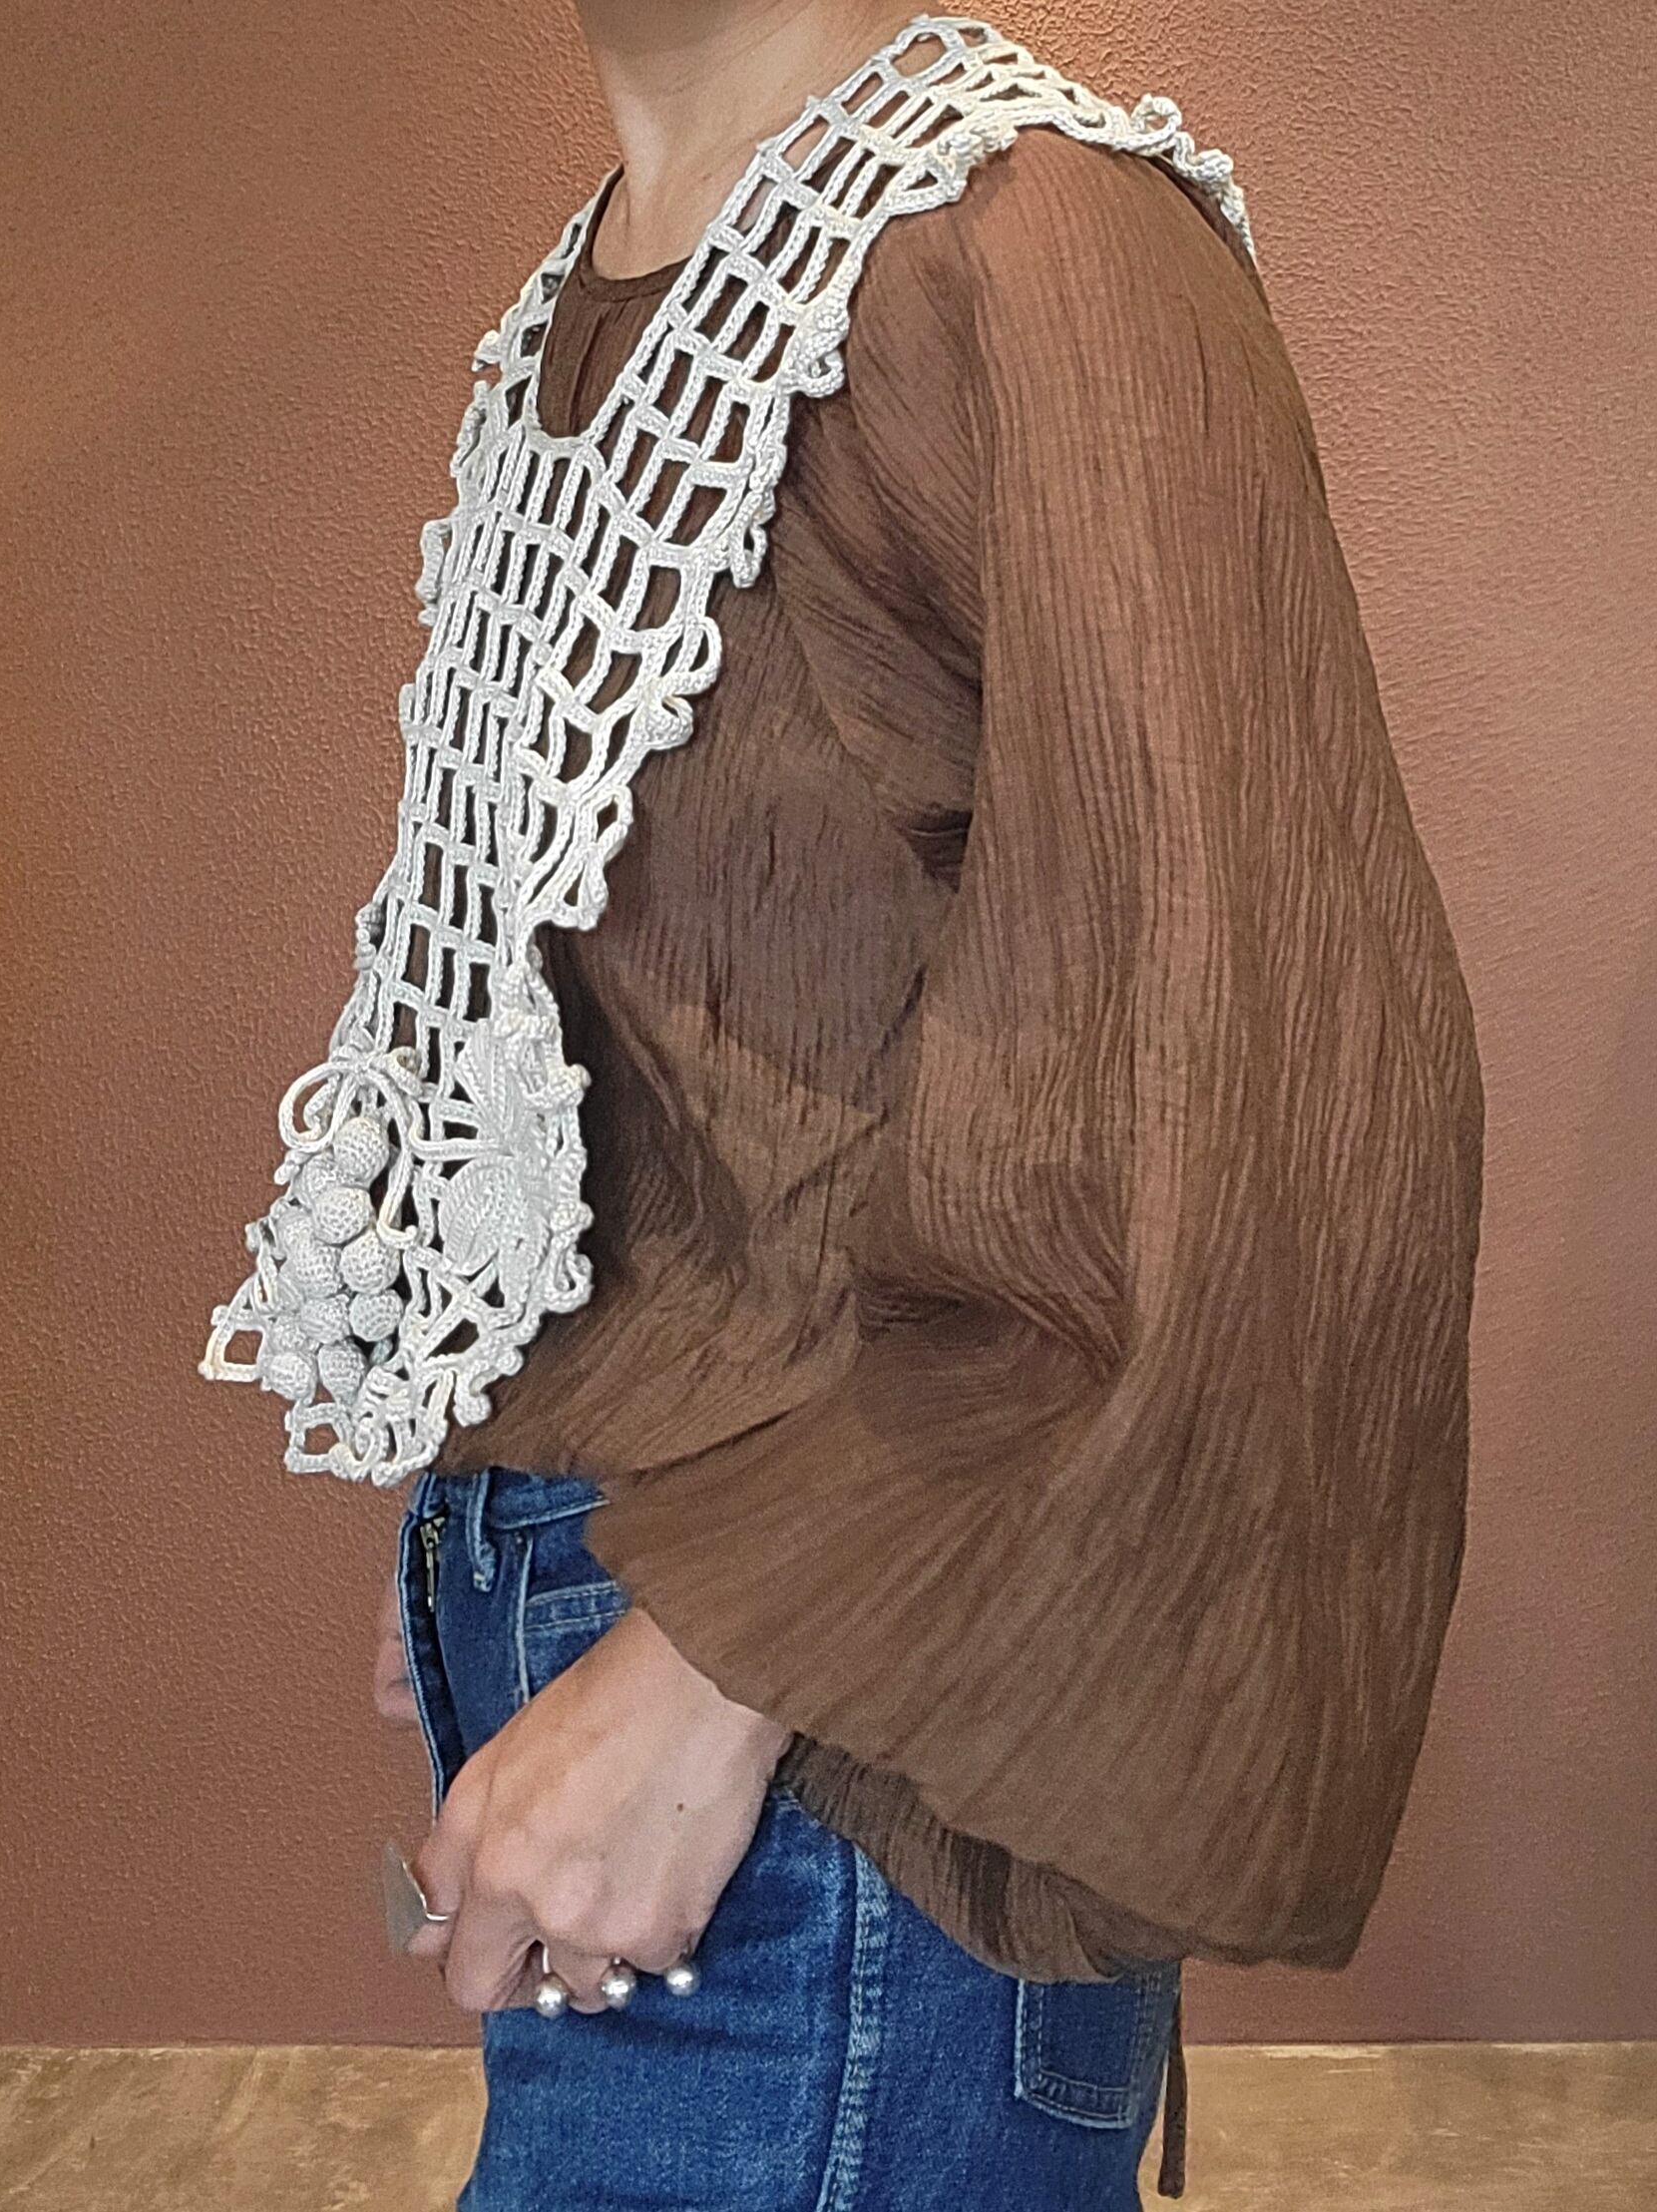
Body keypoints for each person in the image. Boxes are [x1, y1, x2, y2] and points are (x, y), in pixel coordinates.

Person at [208, 4, 1485, 2204]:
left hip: (839, 1769)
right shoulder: (591, 306)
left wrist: (708, 1672)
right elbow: (665, 1081)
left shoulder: (1030, 242)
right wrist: (503, 1511)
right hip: (648, 1672)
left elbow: (1243, 1101)